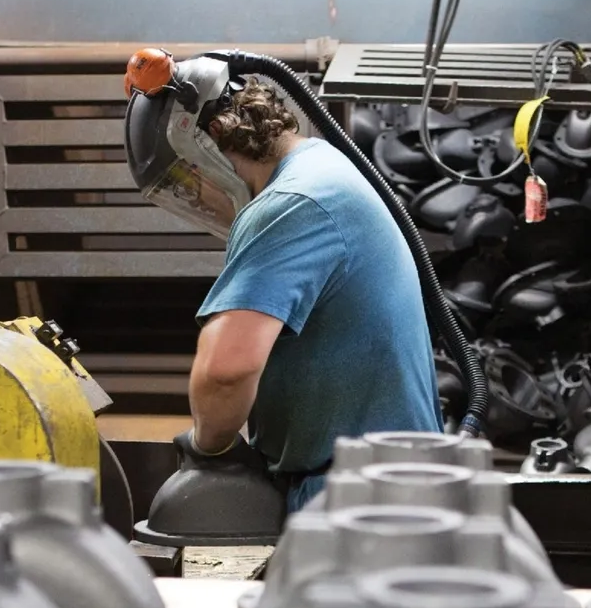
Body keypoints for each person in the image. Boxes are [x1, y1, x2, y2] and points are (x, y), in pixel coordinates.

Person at [183, 80, 442, 511]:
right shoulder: (324, 165)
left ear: (208, 142)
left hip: (359, 502)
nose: (195, 194)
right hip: (388, 485)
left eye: (186, 178)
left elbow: (226, 371)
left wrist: (206, 446)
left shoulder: (292, 201)